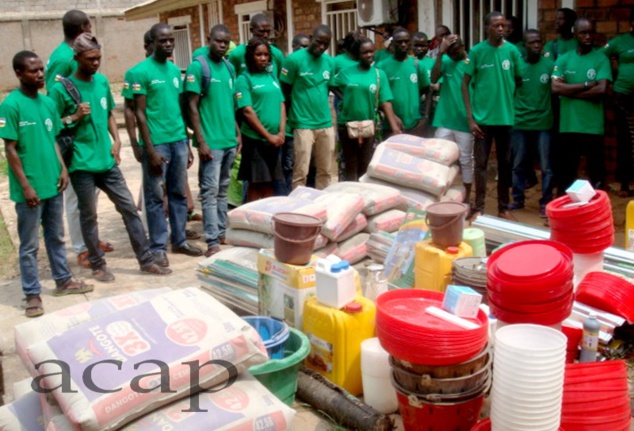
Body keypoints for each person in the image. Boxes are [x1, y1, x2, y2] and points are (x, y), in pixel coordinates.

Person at [49, 34, 171, 282]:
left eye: (98, 58)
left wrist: (116, 141)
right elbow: (49, 127)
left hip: (106, 161)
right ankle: (97, 264)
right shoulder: (60, 89)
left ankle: (146, 260)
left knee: (129, 209)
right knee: (89, 215)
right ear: (77, 58)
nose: (96, 63)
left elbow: (107, 116)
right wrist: (73, 117)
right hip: (81, 164)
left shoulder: (102, 82)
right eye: (90, 59)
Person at [1, 51, 93, 317]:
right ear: (19, 73)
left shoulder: (48, 104)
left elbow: (53, 138)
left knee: (56, 237)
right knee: (29, 245)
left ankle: (63, 280)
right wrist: (26, 186)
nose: (40, 74)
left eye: (41, 69)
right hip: (30, 190)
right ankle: (32, 294)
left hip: (53, 184)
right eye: (33, 71)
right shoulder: (11, 105)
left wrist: (63, 169)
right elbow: (11, 149)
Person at [45, 9, 113, 269]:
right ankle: (82, 248)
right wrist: (70, 119)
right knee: (76, 199)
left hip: (90, 140)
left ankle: (90, 240)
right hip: (73, 141)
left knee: (89, 200)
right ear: (83, 28)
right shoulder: (65, 58)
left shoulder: (64, 52)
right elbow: (54, 100)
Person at [133, 23, 203, 265]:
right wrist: (147, 149)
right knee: (154, 197)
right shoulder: (139, 72)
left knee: (178, 194)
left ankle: (180, 240)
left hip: (178, 141)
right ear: (152, 43)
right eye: (162, 40)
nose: (168, 44)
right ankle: (158, 247)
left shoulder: (175, 71)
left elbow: (178, 108)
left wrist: (186, 140)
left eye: (171, 40)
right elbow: (139, 114)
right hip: (157, 144)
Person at [462, 11, 523, 221]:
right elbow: (465, 83)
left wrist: (506, 103)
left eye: (503, 25)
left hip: (505, 119)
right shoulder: (477, 51)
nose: (500, 29)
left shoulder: (513, 51)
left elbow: (519, 80)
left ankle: (503, 207)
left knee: (506, 165)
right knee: (480, 164)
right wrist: (471, 118)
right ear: (487, 27)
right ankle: (478, 207)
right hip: (482, 121)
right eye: (496, 25)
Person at [185, 24, 239, 258]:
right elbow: (192, 106)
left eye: (226, 42)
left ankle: (221, 231)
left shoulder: (228, 67)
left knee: (223, 190)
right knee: (209, 191)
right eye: (218, 41)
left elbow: (230, 104)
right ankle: (212, 240)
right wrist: (201, 140)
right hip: (211, 143)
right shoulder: (199, 67)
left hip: (228, 140)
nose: (222, 45)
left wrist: (237, 134)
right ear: (209, 40)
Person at [552, 18, 611, 192]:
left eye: (591, 32)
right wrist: (586, 85)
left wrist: (569, 91)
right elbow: (555, 88)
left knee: (596, 174)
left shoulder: (601, 59)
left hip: (593, 127)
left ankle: (596, 213)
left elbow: (601, 90)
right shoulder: (564, 59)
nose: (588, 36)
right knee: (566, 174)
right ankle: (563, 212)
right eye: (583, 32)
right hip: (569, 125)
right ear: (575, 34)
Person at [334, 37, 401, 181]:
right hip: (346, 125)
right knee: (350, 165)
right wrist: (343, 97)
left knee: (366, 165)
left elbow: (385, 102)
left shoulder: (379, 74)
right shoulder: (346, 72)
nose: (369, 55)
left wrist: (394, 127)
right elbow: (331, 84)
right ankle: (352, 198)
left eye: (371, 51)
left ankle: (364, 197)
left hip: (369, 126)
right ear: (358, 54)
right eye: (365, 52)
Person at [281, 25, 335, 190]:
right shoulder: (293, 60)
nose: (320, 47)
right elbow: (284, 91)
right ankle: (299, 209)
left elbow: (330, 87)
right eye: (318, 42)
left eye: (325, 45)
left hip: (325, 124)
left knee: (325, 171)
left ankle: (322, 206)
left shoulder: (329, 62)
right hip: (303, 124)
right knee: (300, 172)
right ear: (311, 38)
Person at [509, 29, 555, 218]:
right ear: (525, 45)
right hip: (520, 122)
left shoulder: (550, 65)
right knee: (518, 164)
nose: (536, 45)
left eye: (539, 42)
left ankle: (546, 202)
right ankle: (518, 199)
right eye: (532, 42)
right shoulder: (517, 66)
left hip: (543, 123)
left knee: (546, 167)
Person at [236, 37, 286, 201]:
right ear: (251, 55)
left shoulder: (271, 77)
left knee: (270, 183)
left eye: (266, 55)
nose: (263, 58)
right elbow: (247, 111)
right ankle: (252, 220)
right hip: (255, 141)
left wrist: (281, 133)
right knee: (257, 184)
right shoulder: (244, 79)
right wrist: (268, 136)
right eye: (259, 54)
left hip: (275, 141)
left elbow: (281, 104)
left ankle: (266, 219)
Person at [432, 35, 474, 203]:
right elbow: (433, 78)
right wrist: (440, 54)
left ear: (463, 46)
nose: (453, 55)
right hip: (444, 119)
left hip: (464, 120)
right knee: (439, 158)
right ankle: (439, 193)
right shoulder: (446, 61)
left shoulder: (471, 63)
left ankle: (467, 197)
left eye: (455, 51)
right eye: (450, 52)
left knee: (466, 160)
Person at [378, 27, 430, 137]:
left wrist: (425, 117)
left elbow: (428, 91)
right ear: (393, 43)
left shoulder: (418, 65)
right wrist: (392, 117)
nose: (403, 44)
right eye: (399, 42)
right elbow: (379, 97)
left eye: (406, 41)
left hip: (415, 124)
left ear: (410, 43)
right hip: (391, 125)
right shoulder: (382, 66)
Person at [604, 13, 634, 196]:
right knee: (625, 140)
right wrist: (611, 77)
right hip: (623, 97)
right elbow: (600, 57)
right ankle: (624, 183)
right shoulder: (620, 42)